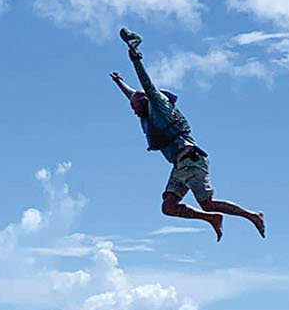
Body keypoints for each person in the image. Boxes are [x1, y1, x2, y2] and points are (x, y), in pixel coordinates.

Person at [109, 28, 265, 242]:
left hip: (191, 159)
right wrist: (119, 82)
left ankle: (252, 215)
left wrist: (136, 60)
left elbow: (146, 85)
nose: (133, 109)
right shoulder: (144, 108)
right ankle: (212, 219)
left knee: (208, 202)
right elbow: (132, 94)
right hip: (179, 166)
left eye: (135, 106)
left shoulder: (159, 105)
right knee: (169, 207)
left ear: (144, 102)